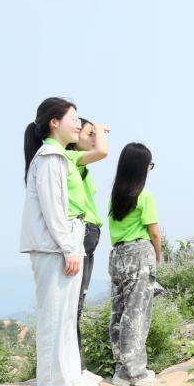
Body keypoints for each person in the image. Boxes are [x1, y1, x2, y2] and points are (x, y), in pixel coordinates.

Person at [20, 97, 95, 386]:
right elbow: (53, 209)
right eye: (73, 118)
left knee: (65, 318)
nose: (78, 124)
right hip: (55, 247)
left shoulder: (58, 157)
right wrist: (68, 248)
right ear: (54, 122)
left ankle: (69, 380)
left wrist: (71, 246)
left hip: (65, 243)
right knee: (54, 317)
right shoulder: (50, 158)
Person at [108, 143, 162, 386]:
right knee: (138, 313)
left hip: (117, 255)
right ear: (142, 167)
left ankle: (121, 370)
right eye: (150, 165)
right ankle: (135, 373)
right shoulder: (145, 195)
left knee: (119, 313)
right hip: (139, 253)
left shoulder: (115, 195)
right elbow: (154, 233)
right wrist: (157, 257)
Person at [66, 118, 110, 362]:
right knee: (74, 302)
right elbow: (102, 151)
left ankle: (75, 363)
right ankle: (74, 364)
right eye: (89, 133)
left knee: (78, 301)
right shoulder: (70, 157)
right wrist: (101, 129)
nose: (94, 138)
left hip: (89, 234)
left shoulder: (80, 166)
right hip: (81, 233)